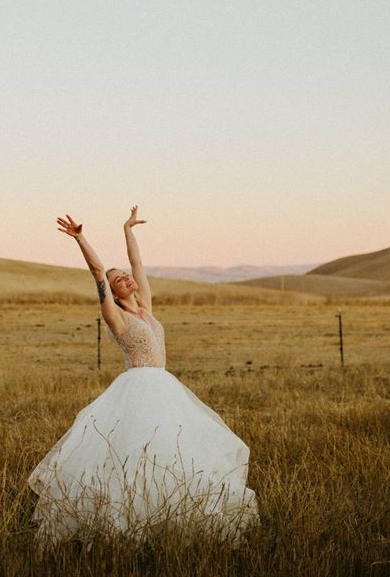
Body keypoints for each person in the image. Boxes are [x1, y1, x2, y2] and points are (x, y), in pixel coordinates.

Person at [28, 206, 258, 546]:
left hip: (166, 388)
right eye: (118, 280)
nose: (126, 278)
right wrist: (80, 238)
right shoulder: (115, 316)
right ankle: (129, 522)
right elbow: (97, 272)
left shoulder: (146, 307)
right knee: (135, 453)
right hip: (138, 390)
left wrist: (128, 230)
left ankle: (172, 515)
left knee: (175, 452)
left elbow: (137, 263)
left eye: (125, 276)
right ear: (112, 292)